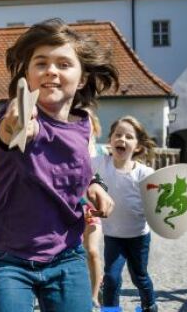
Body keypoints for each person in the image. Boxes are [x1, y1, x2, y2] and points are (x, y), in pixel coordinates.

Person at [0, 18, 118, 311]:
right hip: (8, 258)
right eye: (41, 63)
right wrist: (17, 125)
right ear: (28, 75)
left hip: (67, 254)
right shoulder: (17, 114)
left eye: (64, 64)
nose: (51, 71)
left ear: (81, 78)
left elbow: (72, 165)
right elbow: (14, 131)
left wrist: (96, 184)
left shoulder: (82, 124)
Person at [93, 116, 158, 312]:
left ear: (137, 146)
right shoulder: (99, 164)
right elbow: (76, 167)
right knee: (111, 277)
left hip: (138, 235)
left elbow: (158, 203)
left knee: (139, 275)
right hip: (113, 235)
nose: (122, 139)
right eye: (118, 135)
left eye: (129, 137)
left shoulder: (145, 173)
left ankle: (149, 305)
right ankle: (111, 309)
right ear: (110, 140)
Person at [83, 109, 105, 309]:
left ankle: (94, 295)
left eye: (86, 121)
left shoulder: (102, 153)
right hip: (69, 209)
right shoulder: (65, 147)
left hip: (92, 210)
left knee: (92, 250)